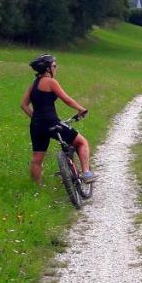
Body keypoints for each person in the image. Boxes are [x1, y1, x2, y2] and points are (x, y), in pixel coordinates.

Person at [20, 53, 95, 186]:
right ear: (48, 69)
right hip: (51, 122)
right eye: (54, 65)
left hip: (36, 125)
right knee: (82, 142)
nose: (56, 68)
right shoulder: (51, 82)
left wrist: (36, 118)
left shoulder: (34, 84)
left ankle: (36, 187)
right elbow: (66, 99)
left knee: (37, 159)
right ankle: (86, 173)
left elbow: (24, 105)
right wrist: (80, 109)